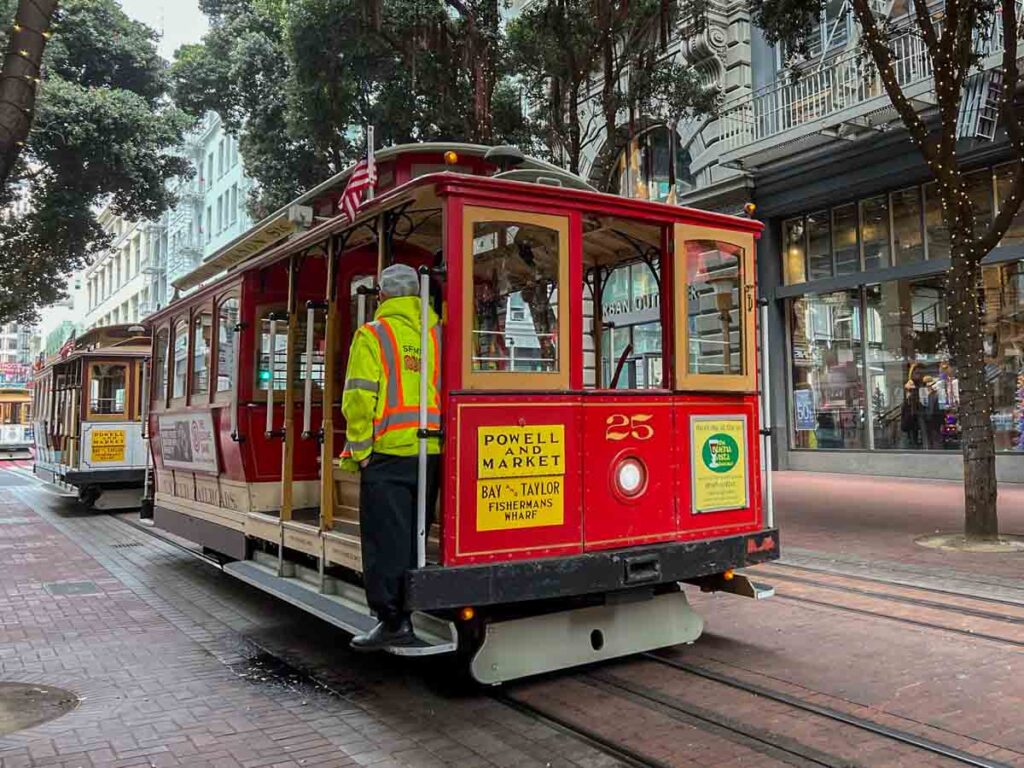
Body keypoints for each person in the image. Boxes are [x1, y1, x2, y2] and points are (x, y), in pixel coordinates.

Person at [340, 263, 442, 651]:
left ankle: (393, 621)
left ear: (381, 296)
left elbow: (359, 398)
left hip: (387, 452)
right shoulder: (436, 333)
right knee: (417, 536)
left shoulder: (373, 335)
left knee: (386, 540)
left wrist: (361, 451)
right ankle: (414, 606)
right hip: (429, 451)